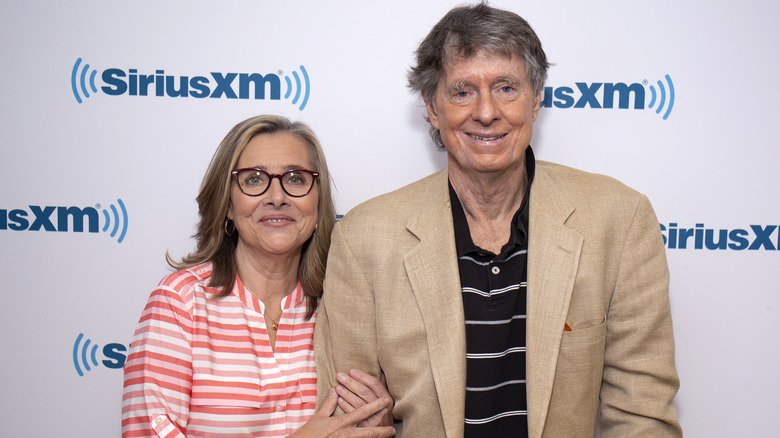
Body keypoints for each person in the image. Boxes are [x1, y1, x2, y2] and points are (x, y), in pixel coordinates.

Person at [314, 3, 682, 437]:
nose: (486, 112)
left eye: (506, 87)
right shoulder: (364, 237)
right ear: (433, 108)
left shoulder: (619, 221)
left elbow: (641, 416)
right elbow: (352, 425)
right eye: (463, 91)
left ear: (537, 100)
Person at [121, 115, 395, 438]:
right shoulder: (180, 304)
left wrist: (378, 426)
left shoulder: (343, 311)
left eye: (295, 179)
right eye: (253, 180)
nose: (277, 197)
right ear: (226, 205)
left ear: (318, 203)